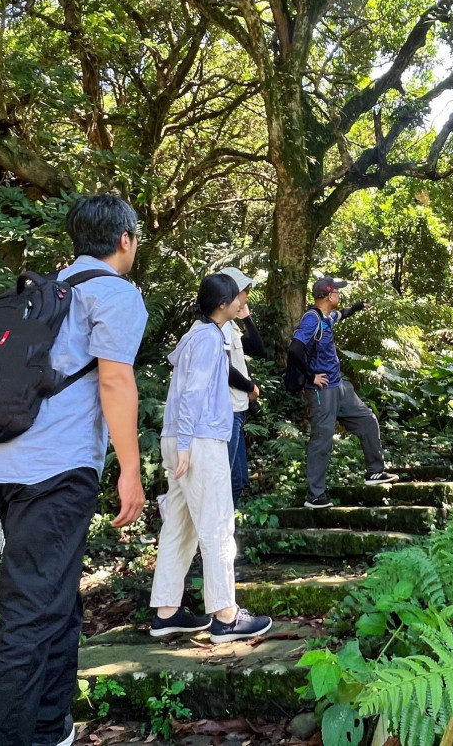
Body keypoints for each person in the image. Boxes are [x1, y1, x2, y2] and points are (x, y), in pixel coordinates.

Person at [0, 194, 148, 746]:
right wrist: (130, 471)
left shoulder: (41, 292)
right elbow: (115, 382)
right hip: (55, 472)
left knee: (56, 601)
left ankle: (49, 726)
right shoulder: (114, 294)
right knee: (29, 619)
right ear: (125, 240)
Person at [149, 273, 273, 643]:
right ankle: (226, 616)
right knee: (218, 527)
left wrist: (179, 442)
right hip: (198, 440)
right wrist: (186, 443)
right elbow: (192, 394)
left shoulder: (197, 334)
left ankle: (166, 612)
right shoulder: (207, 338)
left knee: (180, 526)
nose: (244, 299)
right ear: (223, 304)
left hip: (180, 438)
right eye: (239, 295)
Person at [287, 277, 398, 509]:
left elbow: (343, 313)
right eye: (337, 292)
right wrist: (310, 376)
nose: (340, 295)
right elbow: (295, 348)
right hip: (322, 390)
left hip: (340, 387)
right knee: (322, 440)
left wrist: (357, 308)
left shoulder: (328, 317)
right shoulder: (312, 319)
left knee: (368, 421)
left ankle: (374, 472)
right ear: (329, 296)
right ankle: (315, 495)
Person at [219, 266, 266, 506]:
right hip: (227, 411)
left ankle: (222, 534)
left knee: (238, 480)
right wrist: (250, 387)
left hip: (238, 411)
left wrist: (246, 317)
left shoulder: (231, 327)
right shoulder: (219, 328)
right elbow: (225, 369)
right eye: (245, 291)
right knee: (225, 479)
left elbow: (258, 349)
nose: (247, 296)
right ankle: (210, 537)